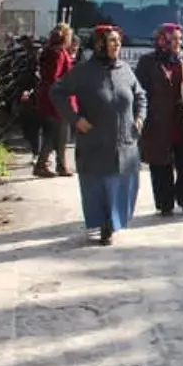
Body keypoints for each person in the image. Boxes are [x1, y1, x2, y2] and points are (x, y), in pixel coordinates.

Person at [50, 26, 147, 246]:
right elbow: (57, 92)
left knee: (123, 184)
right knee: (100, 185)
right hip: (95, 142)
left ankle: (114, 221)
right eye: (112, 41)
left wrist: (140, 118)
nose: (117, 45)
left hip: (125, 142)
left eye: (118, 41)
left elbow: (140, 95)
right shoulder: (84, 72)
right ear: (99, 45)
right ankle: (105, 225)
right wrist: (75, 119)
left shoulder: (125, 70)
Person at [135, 23, 183, 217]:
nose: (178, 43)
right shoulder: (147, 62)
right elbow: (139, 92)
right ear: (162, 40)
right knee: (160, 165)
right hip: (158, 122)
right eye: (173, 39)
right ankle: (165, 203)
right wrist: (139, 117)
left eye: (180, 39)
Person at [34, 23, 75, 178]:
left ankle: (60, 165)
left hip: (48, 98)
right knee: (57, 134)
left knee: (56, 134)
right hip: (58, 100)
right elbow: (54, 78)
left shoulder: (49, 51)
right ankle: (44, 165)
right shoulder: (58, 54)